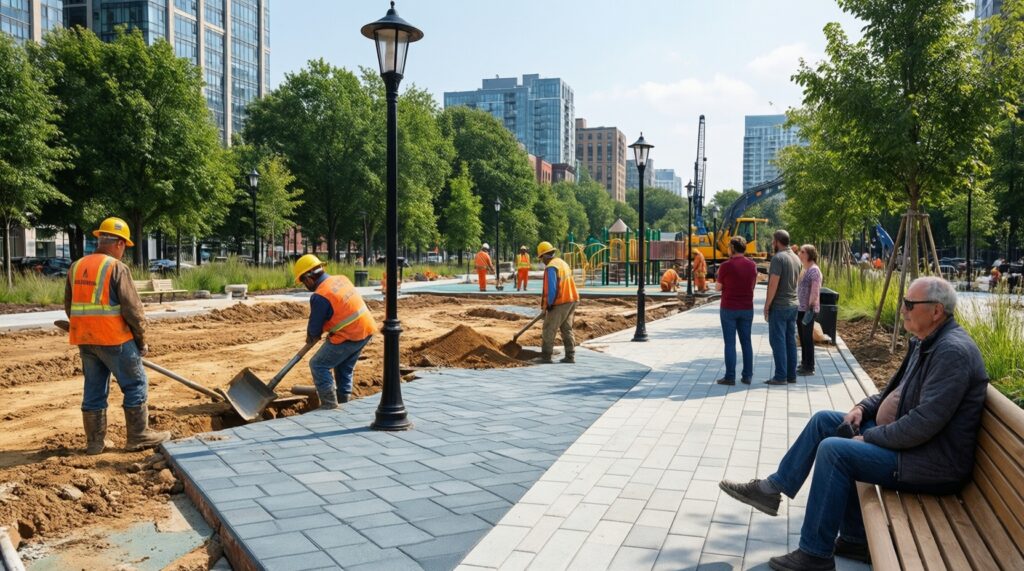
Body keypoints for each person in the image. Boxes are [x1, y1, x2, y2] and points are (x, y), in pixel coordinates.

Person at [719, 277, 988, 571]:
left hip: (930, 461)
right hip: (913, 446)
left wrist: (871, 437)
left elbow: (924, 423)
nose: (903, 309)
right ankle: (777, 492)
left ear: (936, 311)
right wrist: (862, 408)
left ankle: (815, 555)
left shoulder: (951, 352)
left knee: (836, 451)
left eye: (910, 304)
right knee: (825, 422)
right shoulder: (927, 342)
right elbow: (893, 394)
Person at [66, 217, 170, 455]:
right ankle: (138, 436)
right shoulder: (116, 268)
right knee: (135, 384)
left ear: (100, 239)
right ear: (120, 243)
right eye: (125, 247)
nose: (124, 252)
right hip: (115, 340)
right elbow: (133, 311)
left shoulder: (76, 266)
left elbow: (69, 305)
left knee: (94, 389)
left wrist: (86, 329)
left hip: (86, 340)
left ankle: (94, 442)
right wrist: (141, 341)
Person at [294, 254, 377, 409]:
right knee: (344, 367)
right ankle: (344, 403)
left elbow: (314, 328)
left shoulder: (320, 295)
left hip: (350, 334)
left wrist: (311, 336)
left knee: (318, 365)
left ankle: (329, 406)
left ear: (308, 278)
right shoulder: (341, 279)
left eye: (303, 282)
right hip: (366, 329)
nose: (305, 285)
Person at [716, 236, 758, 386]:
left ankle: (730, 376)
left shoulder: (726, 266)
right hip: (747, 307)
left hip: (729, 307)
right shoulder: (752, 265)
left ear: (732, 248)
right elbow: (753, 285)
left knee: (730, 343)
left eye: (728, 246)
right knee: (746, 342)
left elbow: (718, 288)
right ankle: (747, 376)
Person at [764, 230, 802, 385]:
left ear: (778, 241)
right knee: (790, 341)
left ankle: (780, 376)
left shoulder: (778, 259)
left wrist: (767, 305)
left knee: (777, 341)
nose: (772, 243)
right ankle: (791, 375)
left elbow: (773, 284)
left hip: (779, 306)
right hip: (793, 305)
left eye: (773, 240)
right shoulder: (796, 258)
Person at [537, 241, 579, 364]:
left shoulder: (551, 267)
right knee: (566, 328)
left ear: (545, 255)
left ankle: (546, 356)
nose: (542, 261)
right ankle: (570, 356)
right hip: (572, 299)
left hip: (560, 301)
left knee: (549, 328)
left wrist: (549, 304)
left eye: (541, 258)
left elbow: (552, 289)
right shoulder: (562, 263)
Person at [796, 245, 822, 376]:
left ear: (809, 254)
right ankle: (804, 362)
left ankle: (809, 366)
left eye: (802, 252)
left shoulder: (814, 270)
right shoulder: (805, 269)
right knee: (802, 337)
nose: (800, 254)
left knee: (807, 338)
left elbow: (815, 290)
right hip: (801, 308)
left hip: (808, 309)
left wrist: (810, 307)